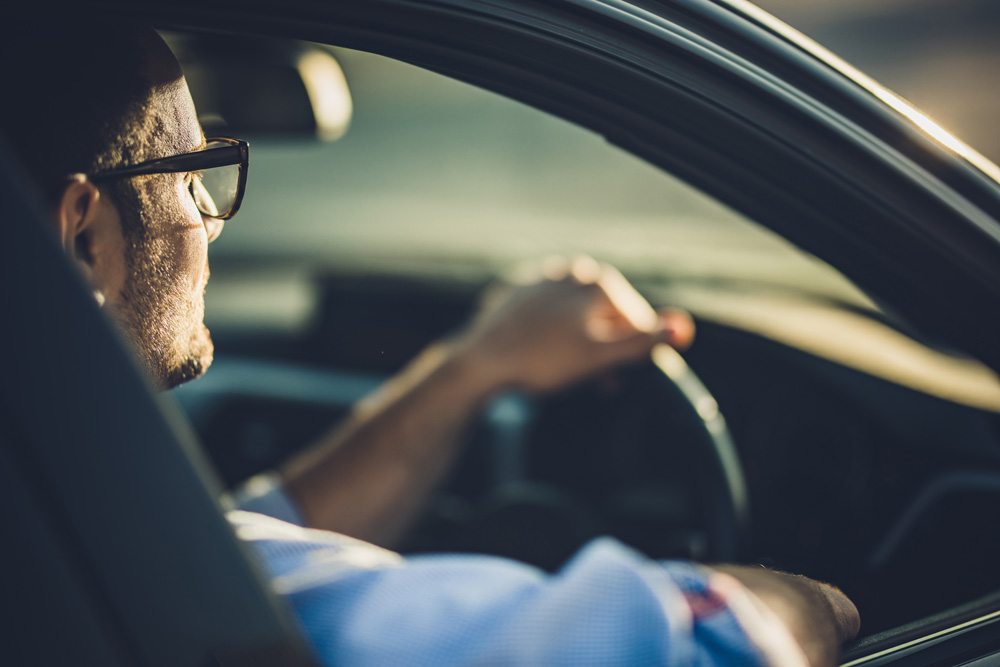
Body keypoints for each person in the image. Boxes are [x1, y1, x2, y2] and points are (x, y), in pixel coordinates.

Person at [3, 20, 859, 666]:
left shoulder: (59, 516)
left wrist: (474, 369)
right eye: (188, 180)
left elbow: (231, 548)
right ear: (84, 238)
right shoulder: (131, 591)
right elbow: (688, 641)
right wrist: (829, 602)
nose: (211, 225)